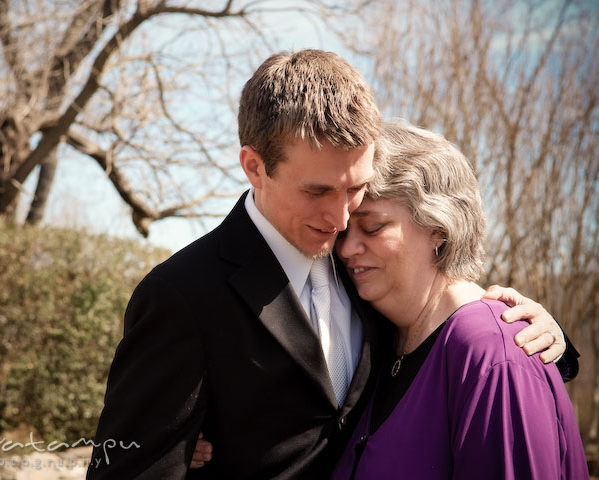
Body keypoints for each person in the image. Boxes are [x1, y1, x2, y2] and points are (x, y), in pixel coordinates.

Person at [87, 50, 576, 479]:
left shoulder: (367, 275)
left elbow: (449, 343)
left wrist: (548, 342)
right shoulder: (182, 296)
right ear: (254, 167)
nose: (341, 219)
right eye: (318, 191)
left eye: (356, 190)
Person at [330, 120, 589, 479]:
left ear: (439, 228)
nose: (346, 247)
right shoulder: (380, 339)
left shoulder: (494, 355)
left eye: (373, 227)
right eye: (344, 230)